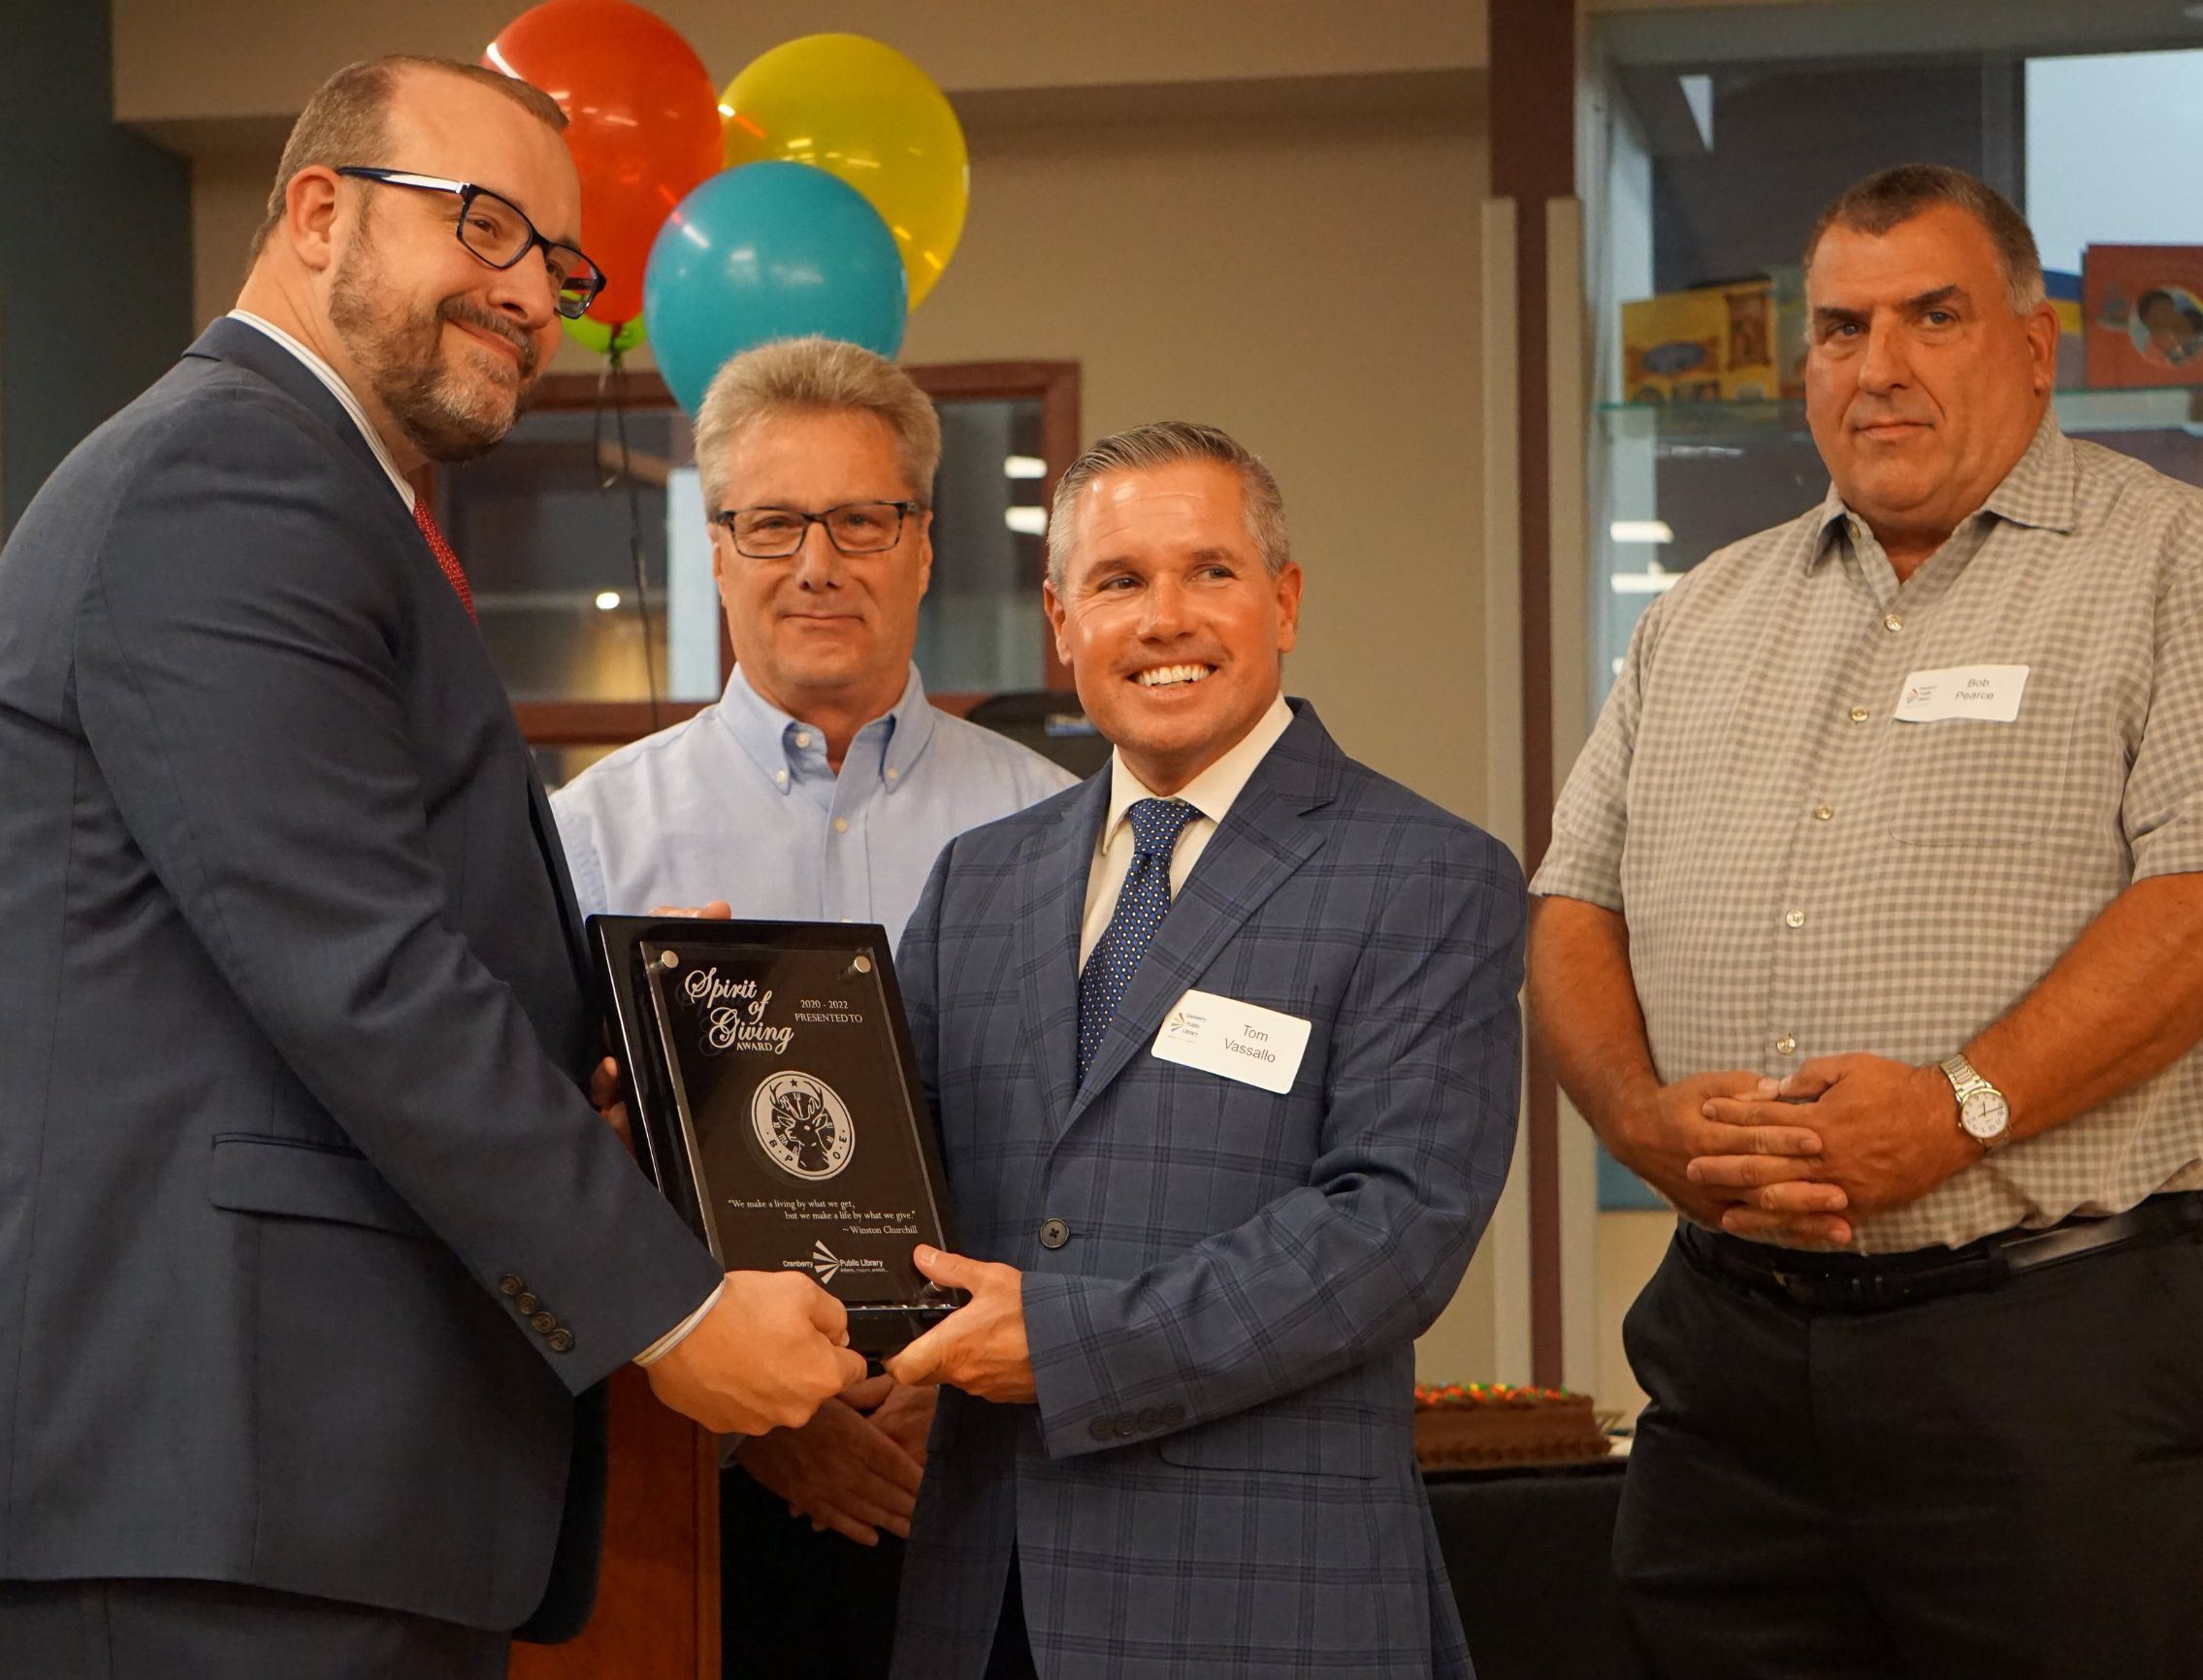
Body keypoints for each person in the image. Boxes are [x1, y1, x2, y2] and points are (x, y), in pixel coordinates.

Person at [0, 56, 862, 1680]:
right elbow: (360, 974)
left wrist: (610, 1045)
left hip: (305, 1488)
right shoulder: (226, 480)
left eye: (560, 263)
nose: (529, 293)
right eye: (484, 226)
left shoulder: (331, 502)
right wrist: (673, 1311)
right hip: (220, 1489)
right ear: (316, 211)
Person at [1529, 163, 2203, 1678]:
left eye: (1933, 317)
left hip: (2045, 1355)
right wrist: (1640, 1122)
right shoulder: (1702, 611)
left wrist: (1959, 1111)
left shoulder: (2176, 566)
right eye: (1841, 328)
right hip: (1732, 1357)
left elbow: (2198, 904)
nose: (1878, 366)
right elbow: (1573, 903)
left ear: (2035, 347)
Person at [875, 421, 1526, 1679]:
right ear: (1063, 624)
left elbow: (1390, 1235)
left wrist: (1069, 1347)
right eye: (1119, 582)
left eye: (1209, 572)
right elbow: (886, 1167)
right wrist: (700, 1081)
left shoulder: (1427, 874)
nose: (1165, 617)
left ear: (1283, 601)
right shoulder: (981, 883)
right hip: (986, 1595)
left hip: (1267, 1599)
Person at [550, 336, 1076, 1679]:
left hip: (1001, 1482)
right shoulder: (591, 841)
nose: (817, 562)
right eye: (774, 522)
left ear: (920, 544)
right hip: (693, 1506)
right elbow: (546, 1177)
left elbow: (1094, 1154)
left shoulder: (1056, 827)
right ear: (718, 548)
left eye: (860, 519)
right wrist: (760, 1423)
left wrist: (952, 1388)